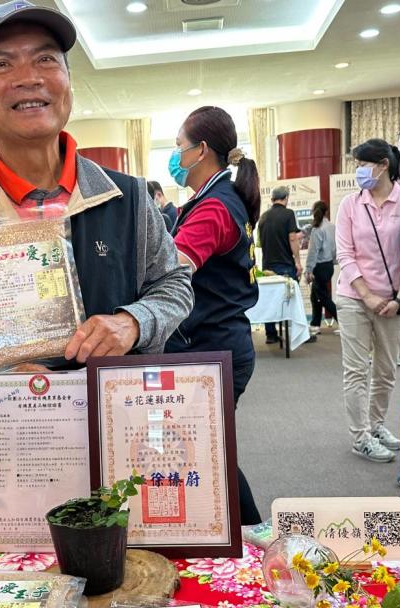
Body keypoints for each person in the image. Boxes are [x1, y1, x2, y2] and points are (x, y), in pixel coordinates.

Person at [0, 3, 192, 371]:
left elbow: (174, 285)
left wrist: (133, 322)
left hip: (116, 417)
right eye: (2, 64)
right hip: (0, 425)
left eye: (46, 59)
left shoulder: (128, 199)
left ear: (69, 81)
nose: (29, 78)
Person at [161, 105, 260, 524]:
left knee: (209, 453)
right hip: (213, 344)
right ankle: (246, 533)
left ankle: (254, 532)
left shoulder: (216, 207)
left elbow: (173, 271)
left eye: (179, 147)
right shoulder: (213, 199)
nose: (175, 157)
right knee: (206, 449)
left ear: (202, 150)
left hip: (212, 347)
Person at [335, 139, 400, 463]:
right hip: (354, 297)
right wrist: (366, 295)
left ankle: (376, 425)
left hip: (393, 300)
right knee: (356, 370)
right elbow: (345, 253)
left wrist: (398, 299)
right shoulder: (350, 204)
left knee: (386, 369)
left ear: (382, 165)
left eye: (363, 164)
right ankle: (360, 436)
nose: (358, 171)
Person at [256, 186, 303, 343]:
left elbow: (260, 243)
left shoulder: (263, 217)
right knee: (293, 299)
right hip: (285, 264)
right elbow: (292, 238)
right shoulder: (288, 214)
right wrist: (297, 261)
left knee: (270, 301)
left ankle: (270, 334)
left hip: (267, 265)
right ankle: (298, 334)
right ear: (286, 198)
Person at [303, 201, 337, 332]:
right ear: (326, 212)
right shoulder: (332, 227)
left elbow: (313, 252)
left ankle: (343, 322)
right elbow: (334, 248)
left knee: (323, 297)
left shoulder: (317, 229)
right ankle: (315, 324)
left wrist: (308, 270)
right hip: (329, 266)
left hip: (319, 267)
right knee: (315, 295)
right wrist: (333, 261)